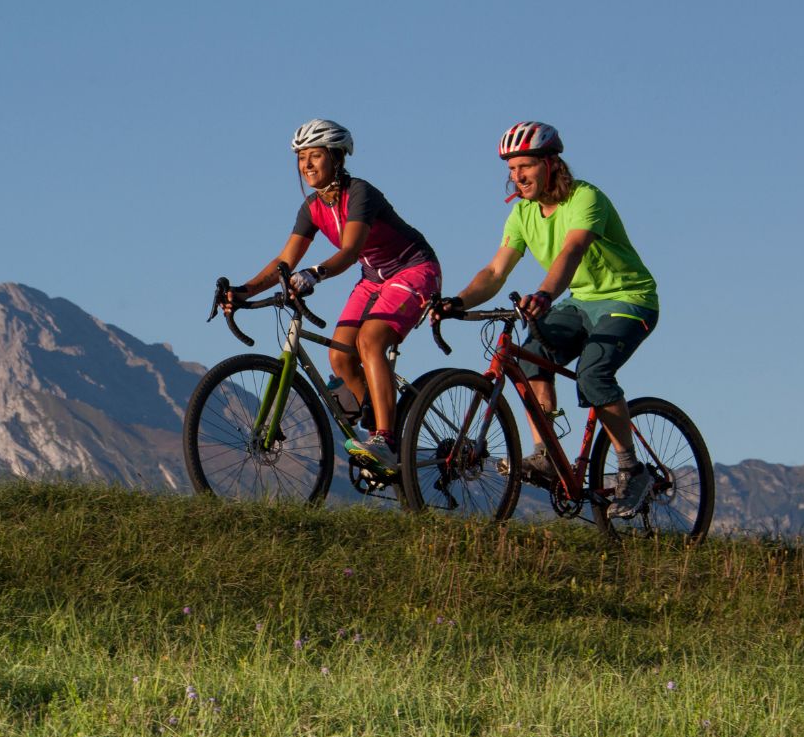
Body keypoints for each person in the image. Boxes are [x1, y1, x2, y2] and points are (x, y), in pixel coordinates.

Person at [431, 121, 660, 516]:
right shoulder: (522, 215)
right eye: (511, 170)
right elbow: (495, 272)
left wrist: (545, 294)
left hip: (629, 300)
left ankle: (631, 469)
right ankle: (546, 456)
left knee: (592, 375)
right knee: (528, 357)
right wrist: (458, 301)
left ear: (551, 164)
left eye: (527, 167)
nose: (518, 177)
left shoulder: (585, 198)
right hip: (580, 302)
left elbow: (571, 251)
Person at [220, 119, 443, 470]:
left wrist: (316, 273)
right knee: (340, 356)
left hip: (413, 270)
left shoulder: (360, 194)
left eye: (315, 156)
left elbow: (351, 249)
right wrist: (242, 291)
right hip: (373, 277)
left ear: (336, 158)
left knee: (370, 341)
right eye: (301, 157)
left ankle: (385, 438)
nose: (306, 164)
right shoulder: (311, 208)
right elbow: (284, 260)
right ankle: (380, 432)